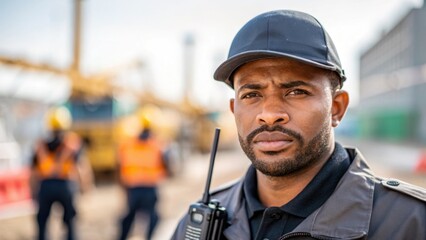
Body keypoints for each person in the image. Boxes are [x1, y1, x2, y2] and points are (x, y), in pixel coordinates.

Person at [172, 10, 426, 239]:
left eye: (296, 92)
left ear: (336, 108)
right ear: (234, 110)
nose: (269, 114)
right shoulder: (197, 225)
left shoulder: (412, 223)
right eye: (251, 95)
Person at [30, 106, 93, 240]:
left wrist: (34, 192)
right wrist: (85, 188)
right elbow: (81, 167)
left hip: (45, 186)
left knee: (42, 222)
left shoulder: (41, 145)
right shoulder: (72, 144)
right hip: (66, 185)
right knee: (70, 221)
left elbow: (33, 172)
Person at [117, 107, 171, 240]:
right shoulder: (157, 144)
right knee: (153, 217)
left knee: (130, 216)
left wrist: (123, 185)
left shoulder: (128, 144)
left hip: (133, 187)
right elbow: (167, 165)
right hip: (150, 188)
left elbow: (119, 165)